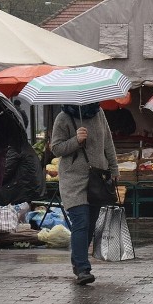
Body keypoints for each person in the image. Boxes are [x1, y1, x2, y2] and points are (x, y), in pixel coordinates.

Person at [50, 102, 118, 286]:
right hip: (73, 179)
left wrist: (114, 168)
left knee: (90, 225)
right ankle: (83, 268)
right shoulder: (63, 117)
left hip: (97, 177)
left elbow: (108, 142)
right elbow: (55, 148)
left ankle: (77, 260)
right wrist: (76, 141)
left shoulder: (99, 113)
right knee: (80, 221)